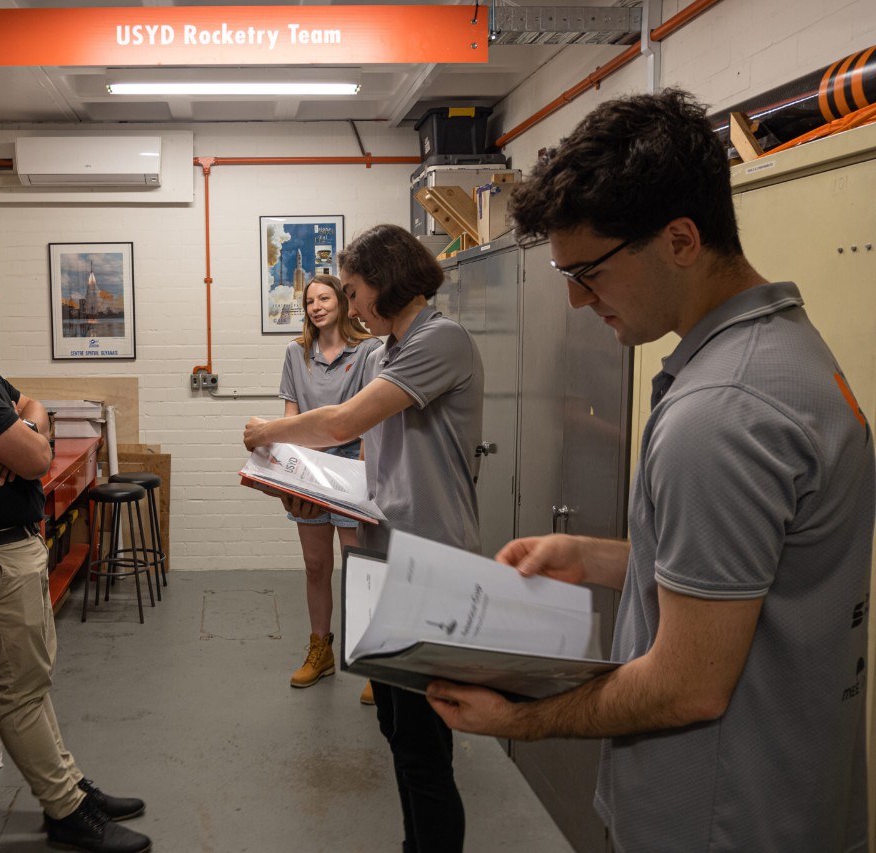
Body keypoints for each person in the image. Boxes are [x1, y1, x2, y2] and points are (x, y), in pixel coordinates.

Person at [426, 89, 873, 852]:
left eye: (589, 272)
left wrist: (523, 717)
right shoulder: (787, 354)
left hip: (715, 819)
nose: (575, 300)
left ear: (680, 240)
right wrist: (594, 558)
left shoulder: (720, 414)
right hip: (794, 796)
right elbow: (750, 574)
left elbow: (686, 684)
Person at [0, 235, 152, 853]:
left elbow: (33, 408)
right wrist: (24, 442)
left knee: (31, 682)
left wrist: (22, 431)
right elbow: (38, 456)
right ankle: (66, 809)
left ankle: (70, 786)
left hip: (6, 550)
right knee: (20, 688)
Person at [245, 223, 484, 853]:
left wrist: (269, 432)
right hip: (382, 552)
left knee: (426, 748)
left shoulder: (442, 341)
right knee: (397, 731)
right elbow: (364, 457)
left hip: (428, 561)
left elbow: (345, 422)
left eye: (353, 292)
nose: (349, 308)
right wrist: (305, 486)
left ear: (386, 282)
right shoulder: (384, 353)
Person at [277, 274, 382, 694]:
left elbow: (372, 421)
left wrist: (360, 477)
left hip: (352, 472)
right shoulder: (296, 353)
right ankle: (320, 651)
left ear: (341, 301)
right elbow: (290, 418)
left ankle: (373, 663)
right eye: (309, 302)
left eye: (324, 298)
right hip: (309, 473)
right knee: (316, 566)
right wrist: (288, 474)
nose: (316, 307)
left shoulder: (369, 351)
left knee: (359, 568)